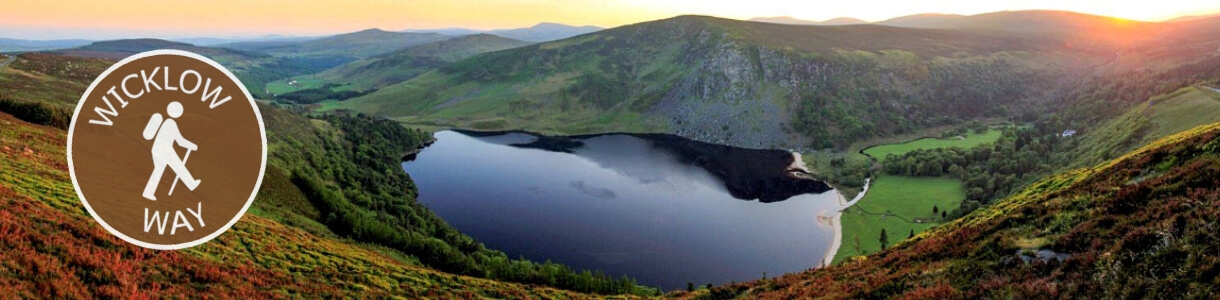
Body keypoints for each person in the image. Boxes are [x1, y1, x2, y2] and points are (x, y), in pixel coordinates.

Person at [141, 101, 201, 200]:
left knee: (158, 171)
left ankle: (148, 192)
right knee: (178, 166)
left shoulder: (166, 122)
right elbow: (180, 141)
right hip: (165, 150)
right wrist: (193, 146)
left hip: (157, 149)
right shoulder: (171, 123)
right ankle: (191, 184)